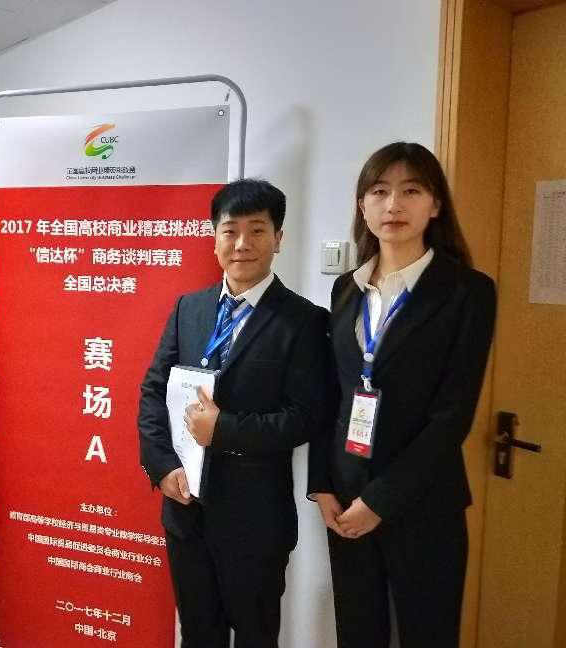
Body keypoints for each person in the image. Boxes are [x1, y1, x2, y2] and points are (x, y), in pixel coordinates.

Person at [308, 142, 497, 648]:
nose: (393, 205)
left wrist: (380, 501)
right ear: (362, 205)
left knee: (428, 634)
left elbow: (452, 415)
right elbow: (333, 394)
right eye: (379, 191)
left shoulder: (468, 292)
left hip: (424, 502)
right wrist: (322, 486)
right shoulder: (346, 289)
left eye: (411, 191)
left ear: (435, 205)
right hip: (346, 499)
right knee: (357, 633)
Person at [138, 178, 332, 648]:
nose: (242, 243)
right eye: (230, 230)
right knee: (198, 634)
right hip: (186, 511)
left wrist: (222, 429)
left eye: (257, 230)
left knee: (254, 636)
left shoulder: (304, 321)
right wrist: (162, 466)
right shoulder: (190, 308)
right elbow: (153, 392)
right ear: (215, 238)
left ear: (278, 239)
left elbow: (305, 416)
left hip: (255, 519)